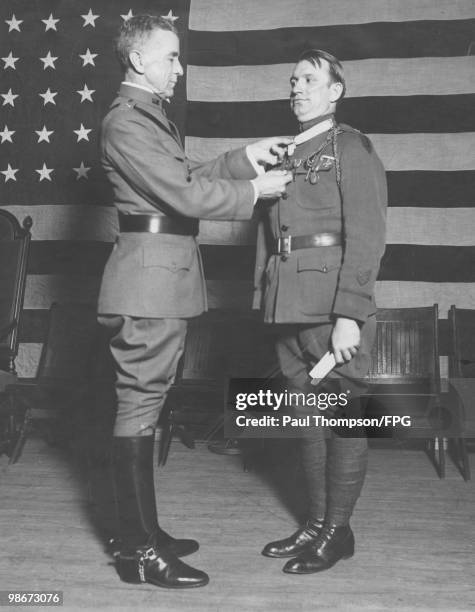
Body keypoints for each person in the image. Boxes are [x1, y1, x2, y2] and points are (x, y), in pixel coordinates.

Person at [97, 14, 292, 589]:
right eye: (171, 57)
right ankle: (137, 551)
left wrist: (244, 158)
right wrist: (256, 191)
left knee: (148, 404)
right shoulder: (126, 121)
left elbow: (180, 176)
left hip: (161, 278)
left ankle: (144, 534)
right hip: (147, 283)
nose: (179, 69)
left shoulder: (148, 118)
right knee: (139, 407)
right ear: (137, 61)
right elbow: (182, 193)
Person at [253, 49, 387, 574]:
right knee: (306, 417)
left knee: (345, 415)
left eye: (310, 79)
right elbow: (270, 236)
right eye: (293, 80)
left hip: (333, 305)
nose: (298, 87)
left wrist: (350, 312)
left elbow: (368, 234)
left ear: (335, 91)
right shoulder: (286, 154)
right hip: (286, 303)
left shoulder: (350, 147)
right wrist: (263, 295)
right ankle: (314, 523)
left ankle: (339, 530)